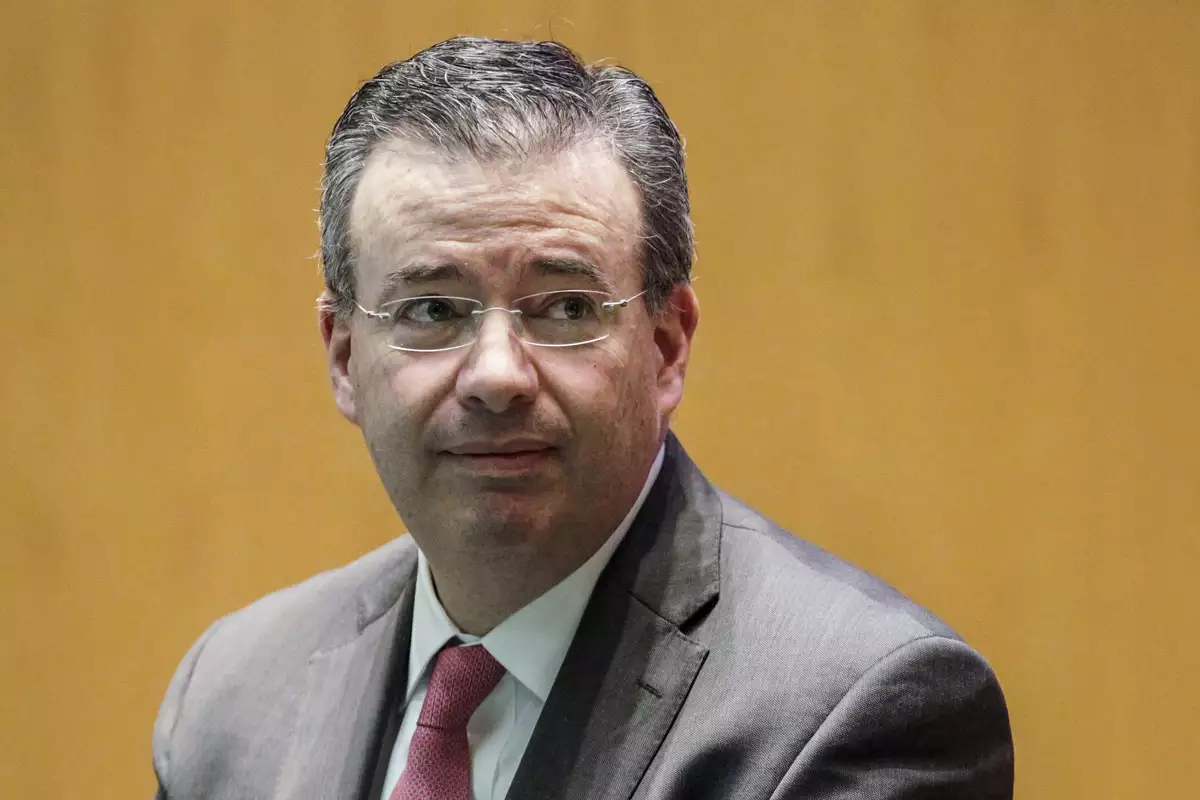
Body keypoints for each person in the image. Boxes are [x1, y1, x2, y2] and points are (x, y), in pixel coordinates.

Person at [152, 36, 1013, 800]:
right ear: (344, 357)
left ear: (667, 345)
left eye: (564, 307)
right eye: (431, 311)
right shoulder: (231, 701)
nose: (496, 375)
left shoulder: (855, 708)